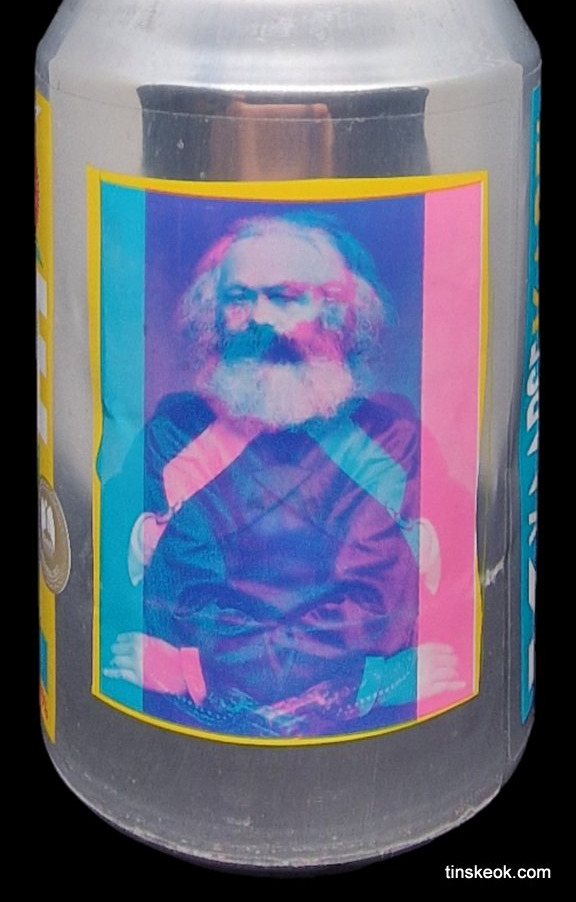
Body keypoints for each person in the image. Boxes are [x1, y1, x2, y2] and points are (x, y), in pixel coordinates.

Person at [104, 210, 463, 737]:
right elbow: (170, 601)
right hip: (189, 739)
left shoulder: (393, 441)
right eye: (239, 298)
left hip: (371, 742)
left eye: (286, 296)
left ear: (336, 313)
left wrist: (189, 670)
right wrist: (376, 676)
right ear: (213, 313)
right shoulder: (172, 436)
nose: (261, 318)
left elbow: (378, 613)